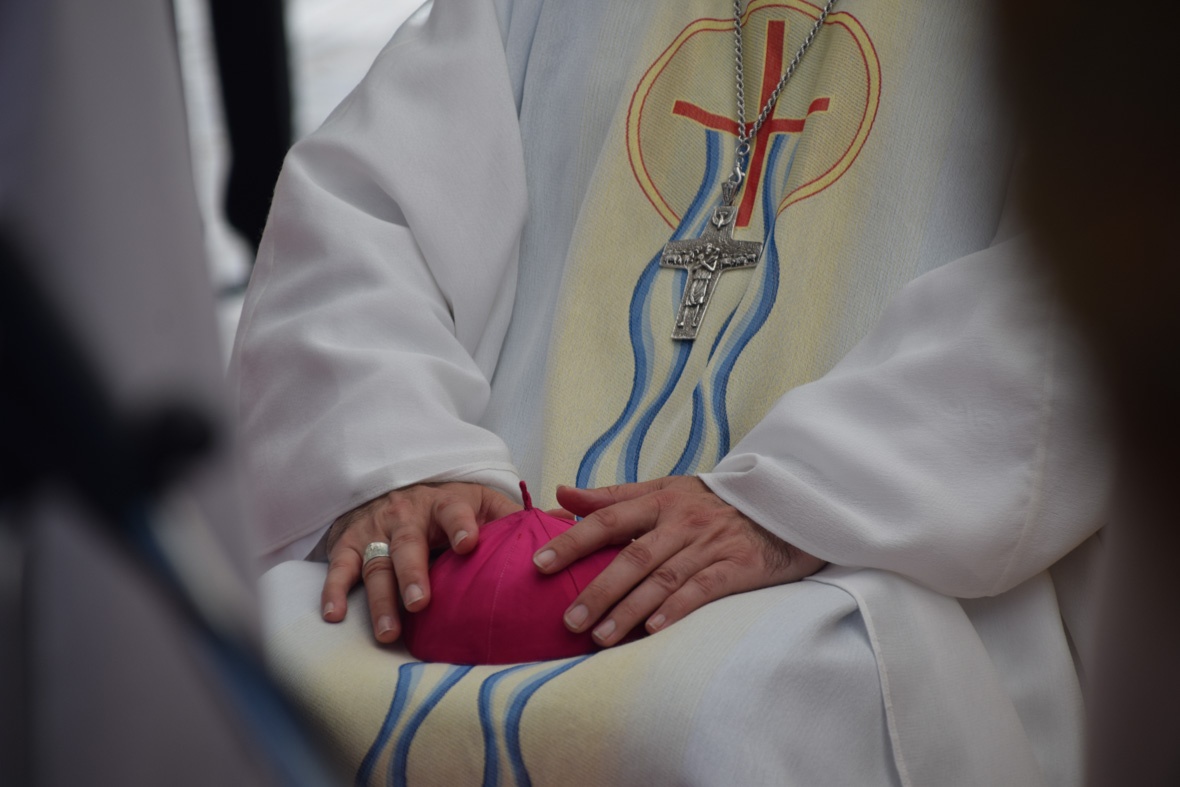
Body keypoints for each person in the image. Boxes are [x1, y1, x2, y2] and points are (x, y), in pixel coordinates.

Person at [233, 1, 1109, 783]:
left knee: (736, 711)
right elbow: (365, 214)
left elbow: (1101, 281)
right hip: (485, 533)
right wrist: (400, 455)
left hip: (872, 573)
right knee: (242, 659)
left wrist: (794, 501)